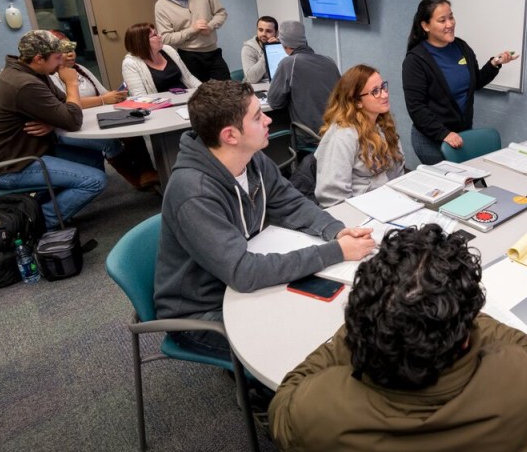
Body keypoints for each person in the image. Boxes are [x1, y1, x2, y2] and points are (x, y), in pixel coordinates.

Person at [269, 224, 527, 452]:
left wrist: (361, 326)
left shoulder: (311, 414)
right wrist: (458, 313)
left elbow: (287, 394)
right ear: (463, 334)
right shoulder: (525, 379)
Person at [154, 79, 375, 360]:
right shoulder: (193, 192)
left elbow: (291, 202)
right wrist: (336, 252)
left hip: (235, 285)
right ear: (230, 136)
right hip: (200, 310)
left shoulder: (251, 159)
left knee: (326, 319)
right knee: (304, 347)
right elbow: (243, 272)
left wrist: (336, 232)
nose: (269, 120)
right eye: (258, 117)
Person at [0, 30, 107, 228]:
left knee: (94, 158)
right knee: (95, 181)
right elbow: (73, 120)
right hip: (10, 166)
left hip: (25, 152)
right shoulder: (24, 83)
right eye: (57, 57)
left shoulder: (33, 72)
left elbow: (63, 106)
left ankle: (51, 207)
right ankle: (33, 224)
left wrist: (55, 120)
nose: (61, 61)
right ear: (38, 58)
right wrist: (71, 83)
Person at [402, 0, 519, 165]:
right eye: (442, 20)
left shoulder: (461, 47)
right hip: (432, 140)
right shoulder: (416, 60)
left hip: (461, 135)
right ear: (425, 25)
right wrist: (444, 134)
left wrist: (495, 63)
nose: (450, 24)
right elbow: (416, 108)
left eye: (451, 17)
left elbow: (476, 82)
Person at [49, 37, 158, 190]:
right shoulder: (50, 76)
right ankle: (137, 180)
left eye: (72, 50)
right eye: (64, 51)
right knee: (109, 143)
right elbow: (66, 104)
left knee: (130, 127)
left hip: (95, 118)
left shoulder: (81, 69)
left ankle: (148, 172)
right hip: (71, 127)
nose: (70, 55)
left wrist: (117, 95)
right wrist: (102, 100)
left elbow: (104, 93)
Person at [314, 64, 405, 207]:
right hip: (359, 211)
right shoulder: (342, 136)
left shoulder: (383, 125)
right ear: (357, 102)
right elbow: (332, 198)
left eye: (383, 87)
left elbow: (398, 173)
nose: (385, 94)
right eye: (375, 91)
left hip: (389, 202)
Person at [266, 20, 340, 148]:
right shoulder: (329, 61)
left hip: (310, 136)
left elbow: (274, 102)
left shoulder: (289, 63)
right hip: (335, 132)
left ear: (283, 43)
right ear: (304, 41)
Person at [153, 0, 230, 81]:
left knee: (228, 89)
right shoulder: (161, 6)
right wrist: (192, 30)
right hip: (189, 55)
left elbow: (221, 12)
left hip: (213, 50)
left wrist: (210, 26)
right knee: (198, 95)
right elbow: (166, 38)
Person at [121, 22, 201, 96]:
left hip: (186, 98)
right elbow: (139, 97)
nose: (159, 36)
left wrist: (205, 90)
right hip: (159, 107)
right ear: (142, 42)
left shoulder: (168, 50)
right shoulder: (130, 63)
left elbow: (189, 78)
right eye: (154, 35)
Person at [240, 15, 279, 84]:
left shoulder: (282, 46)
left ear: (276, 33)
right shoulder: (248, 48)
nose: (263, 34)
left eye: (268, 31)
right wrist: (268, 52)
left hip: (274, 85)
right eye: (260, 30)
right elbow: (251, 79)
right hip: (254, 88)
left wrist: (276, 48)